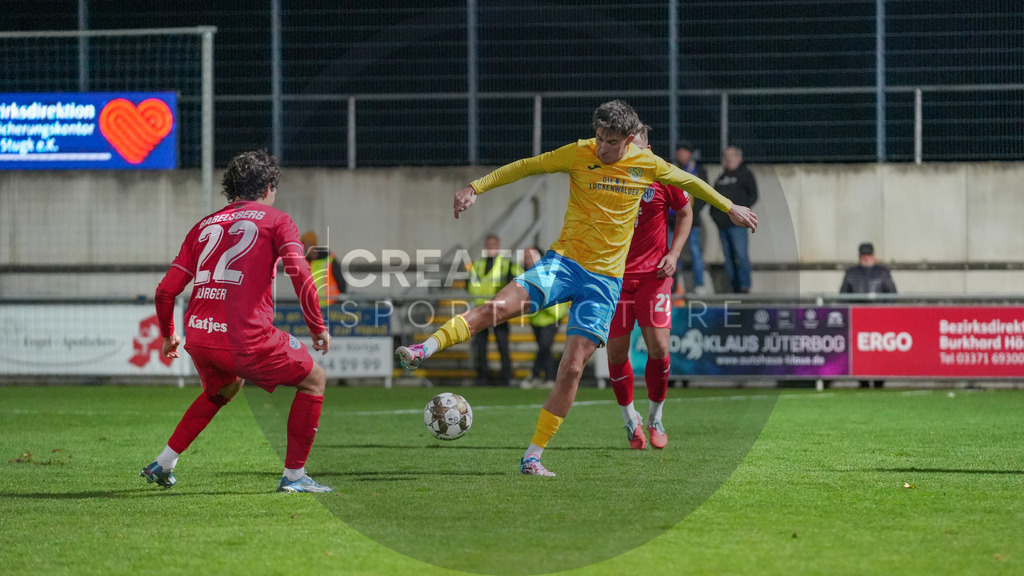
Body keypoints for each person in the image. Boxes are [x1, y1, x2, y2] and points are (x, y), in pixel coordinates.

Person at [395, 99, 757, 477]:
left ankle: (533, 456)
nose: (601, 147)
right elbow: (527, 166)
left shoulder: (648, 165)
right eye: (599, 137)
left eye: (611, 141)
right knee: (497, 308)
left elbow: (691, 183)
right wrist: (475, 187)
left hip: (603, 283)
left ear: (630, 139)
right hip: (563, 264)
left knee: (571, 368)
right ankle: (425, 347)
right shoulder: (579, 153)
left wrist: (729, 205)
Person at [141, 149, 334, 493]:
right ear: (269, 186)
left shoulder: (202, 226)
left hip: (199, 337)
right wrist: (317, 327)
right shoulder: (277, 219)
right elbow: (301, 274)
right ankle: (294, 477)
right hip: (247, 338)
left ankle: (164, 462)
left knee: (225, 387)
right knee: (315, 380)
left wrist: (169, 335)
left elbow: (165, 291)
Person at [606, 125, 692, 450]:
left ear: (648, 147)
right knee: (615, 353)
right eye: (627, 146)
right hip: (615, 280)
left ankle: (655, 417)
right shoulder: (609, 178)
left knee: (658, 347)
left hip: (654, 278)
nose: (632, 151)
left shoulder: (664, 177)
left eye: (637, 145)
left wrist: (674, 254)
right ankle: (631, 420)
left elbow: (685, 213)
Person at [467, 234, 523, 386]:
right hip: (482, 309)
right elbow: (469, 285)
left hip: (499, 309)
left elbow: (516, 280)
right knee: (481, 345)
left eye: (493, 244)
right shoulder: (478, 264)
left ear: (498, 246)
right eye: (489, 244)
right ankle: (483, 376)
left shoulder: (507, 263)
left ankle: (506, 376)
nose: (491, 247)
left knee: (502, 344)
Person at [841, 242, 897, 389]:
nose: (866, 258)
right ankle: (862, 380)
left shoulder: (882, 272)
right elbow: (843, 294)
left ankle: (880, 379)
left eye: (868, 255)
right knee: (860, 349)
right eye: (863, 255)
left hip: (879, 316)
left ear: (874, 256)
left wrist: (882, 308)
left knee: (880, 349)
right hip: (858, 317)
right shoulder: (851, 273)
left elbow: (892, 293)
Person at [520, 245, 569, 390]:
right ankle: (549, 378)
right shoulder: (524, 273)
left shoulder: (547, 270)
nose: (528, 259)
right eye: (526, 256)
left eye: (531, 256)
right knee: (544, 348)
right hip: (536, 317)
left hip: (552, 314)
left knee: (545, 346)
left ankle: (535, 375)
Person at [711, 146, 758, 293]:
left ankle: (745, 286)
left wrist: (741, 213)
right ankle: (734, 286)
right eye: (726, 156)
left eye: (731, 156)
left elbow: (753, 195)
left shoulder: (745, 174)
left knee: (741, 255)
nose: (728, 159)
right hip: (723, 225)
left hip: (737, 225)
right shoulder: (721, 178)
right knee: (728, 258)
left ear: (739, 157)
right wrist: (716, 218)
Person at [674, 141, 710, 296]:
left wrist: (692, 213)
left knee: (695, 252)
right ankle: (676, 285)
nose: (681, 154)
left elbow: (704, 193)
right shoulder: (673, 169)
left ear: (690, 153)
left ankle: (699, 284)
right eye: (679, 151)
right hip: (673, 222)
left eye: (684, 151)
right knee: (673, 253)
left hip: (692, 221)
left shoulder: (698, 170)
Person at [300, 230, 346, 307]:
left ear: (314, 245)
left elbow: (341, 283)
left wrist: (339, 303)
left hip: (331, 305)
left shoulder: (329, 261)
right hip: (312, 307)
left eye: (308, 245)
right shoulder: (304, 262)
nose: (306, 248)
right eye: (304, 245)